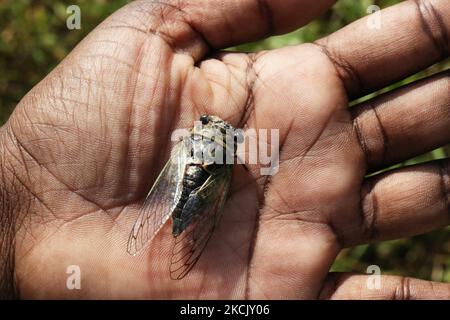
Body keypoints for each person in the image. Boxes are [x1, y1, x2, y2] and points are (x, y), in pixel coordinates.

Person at [0, 0, 449, 299]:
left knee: (185, 195)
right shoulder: (223, 156)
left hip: (190, 177)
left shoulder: (194, 144)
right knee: (187, 195)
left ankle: (179, 221)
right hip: (195, 179)